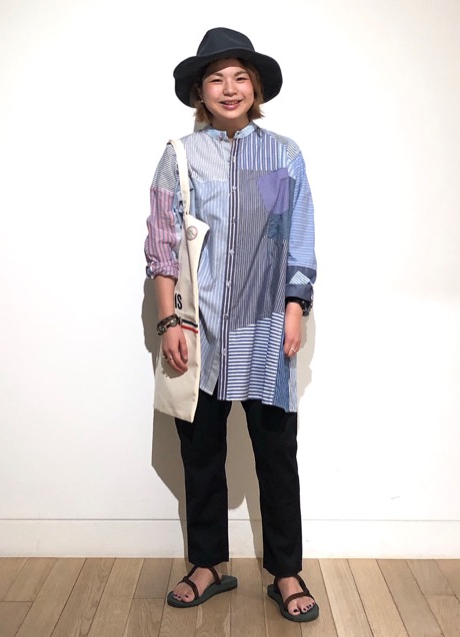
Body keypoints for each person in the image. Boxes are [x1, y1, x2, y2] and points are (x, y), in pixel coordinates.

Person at [144, 27, 318, 623]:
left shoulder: (285, 155)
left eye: (240, 77)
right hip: (200, 334)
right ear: (200, 91)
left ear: (256, 87)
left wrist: (294, 307)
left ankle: (286, 572)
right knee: (200, 455)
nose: (229, 88)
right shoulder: (179, 156)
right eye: (216, 79)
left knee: (277, 457)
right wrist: (169, 319)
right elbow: (162, 243)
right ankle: (207, 564)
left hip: (266, 330)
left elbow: (296, 237)